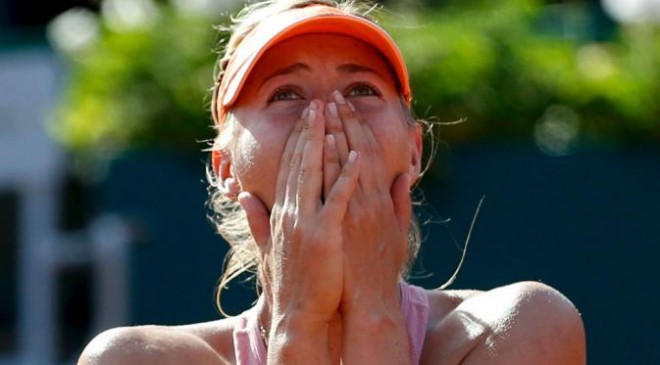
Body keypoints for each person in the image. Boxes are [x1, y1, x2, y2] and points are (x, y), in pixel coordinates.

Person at [77, 0, 586, 364]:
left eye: (361, 88)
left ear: (414, 152)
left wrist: (372, 310)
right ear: (226, 169)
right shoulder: (135, 360)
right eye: (285, 94)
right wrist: (298, 324)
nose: (325, 116)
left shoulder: (522, 328)